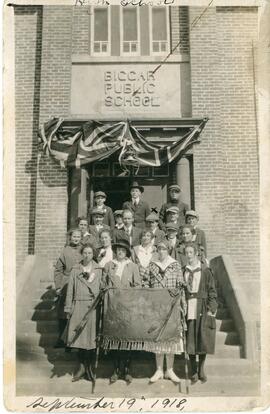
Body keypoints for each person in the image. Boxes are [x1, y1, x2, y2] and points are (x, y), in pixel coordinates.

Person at [146, 240, 186, 384]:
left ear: (168, 250)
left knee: (171, 338)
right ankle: (158, 370)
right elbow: (146, 283)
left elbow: (181, 285)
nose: (161, 251)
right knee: (158, 337)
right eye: (159, 249)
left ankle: (169, 369)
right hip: (156, 306)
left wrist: (181, 303)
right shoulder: (152, 265)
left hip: (172, 306)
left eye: (164, 249)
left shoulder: (175, 265)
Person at [102, 239, 141, 384]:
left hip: (127, 307)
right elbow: (102, 284)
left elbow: (138, 286)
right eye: (118, 250)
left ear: (126, 253)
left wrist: (128, 294)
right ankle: (115, 370)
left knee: (127, 340)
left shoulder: (132, 267)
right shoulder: (108, 265)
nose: (120, 252)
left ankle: (127, 370)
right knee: (114, 339)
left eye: (123, 250)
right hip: (112, 307)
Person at [64, 243, 102, 382]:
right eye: (85, 253)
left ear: (93, 255)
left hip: (93, 307)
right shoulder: (75, 269)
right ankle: (81, 368)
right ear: (82, 254)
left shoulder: (98, 269)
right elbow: (70, 290)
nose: (87, 255)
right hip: (79, 305)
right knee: (79, 338)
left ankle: (90, 368)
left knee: (91, 339)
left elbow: (102, 287)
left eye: (90, 253)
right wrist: (68, 307)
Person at [183, 243, 217, 384]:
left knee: (203, 338)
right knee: (190, 339)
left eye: (191, 252)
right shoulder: (183, 270)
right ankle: (193, 370)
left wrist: (211, 308)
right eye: (187, 253)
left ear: (196, 253)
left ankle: (201, 369)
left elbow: (212, 291)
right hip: (189, 306)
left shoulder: (205, 271)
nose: (189, 255)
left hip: (202, 306)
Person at [54, 229, 82, 348]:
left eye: (78, 237)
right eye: (74, 236)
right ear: (70, 238)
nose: (76, 239)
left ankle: (74, 341)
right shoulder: (65, 251)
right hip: (67, 283)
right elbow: (58, 270)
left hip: (80, 283)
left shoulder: (84, 250)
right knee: (64, 313)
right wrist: (59, 286)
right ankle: (62, 339)